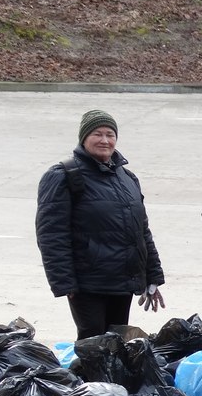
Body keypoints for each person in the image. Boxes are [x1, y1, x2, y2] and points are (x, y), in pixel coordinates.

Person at [35, 110, 166, 340]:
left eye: (110, 134)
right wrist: (65, 283)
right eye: (97, 133)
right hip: (88, 282)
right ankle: (90, 378)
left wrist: (152, 275)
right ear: (84, 137)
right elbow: (51, 234)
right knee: (93, 342)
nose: (105, 140)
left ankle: (108, 378)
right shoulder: (63, 175)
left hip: (123, 280)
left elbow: (141, 231)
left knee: (116, 343)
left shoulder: (127, 178)